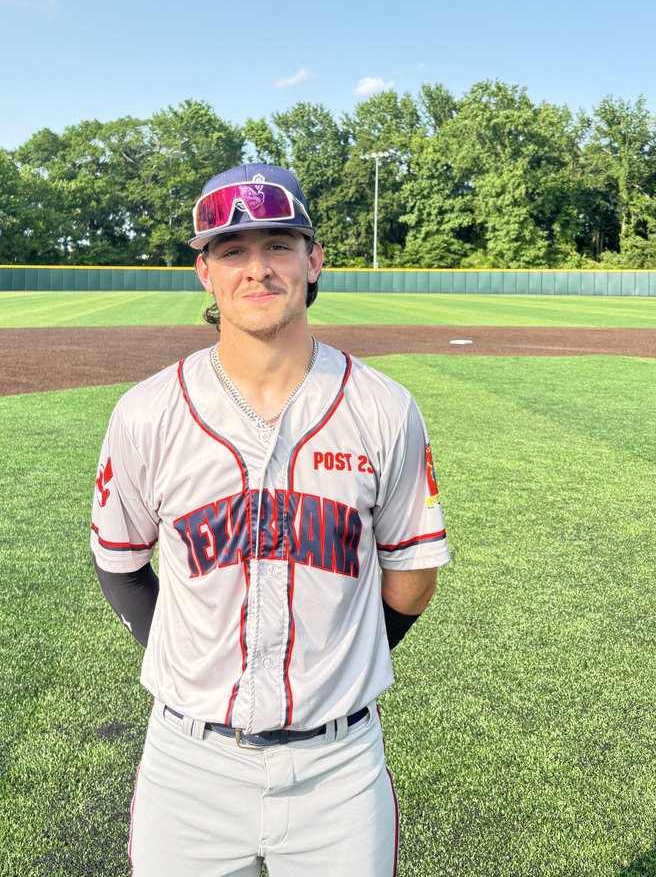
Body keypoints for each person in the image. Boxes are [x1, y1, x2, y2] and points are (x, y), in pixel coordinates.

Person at [90, 163, 450, 877]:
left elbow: (412, 571)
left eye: (279, 245)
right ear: (205, 272)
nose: (257, 268)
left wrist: (341, 664)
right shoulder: (146, 413)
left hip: (338, 770)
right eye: (232, 250)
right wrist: (185, 659)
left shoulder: (383, 407)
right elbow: (120, 562)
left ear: (314, 261)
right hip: (187, 765)